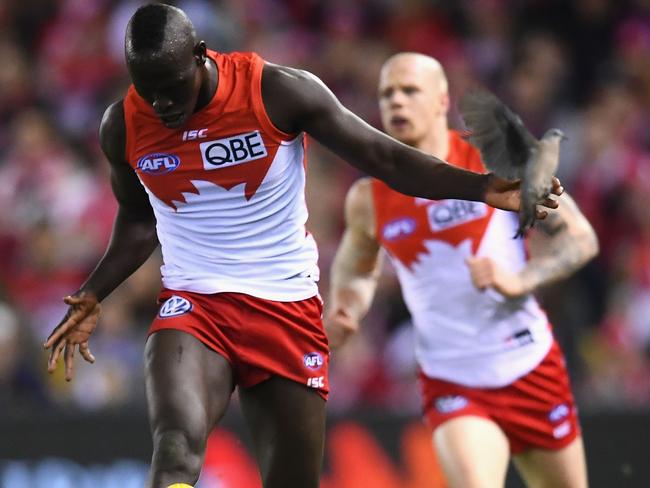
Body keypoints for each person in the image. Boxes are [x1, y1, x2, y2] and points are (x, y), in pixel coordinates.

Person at [43, 5, 559, 488]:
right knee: (176, 445)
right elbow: (138, 221)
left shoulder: (277, 92)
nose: (162, 104)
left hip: (285, 308)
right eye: (148, 90)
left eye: (173, 87)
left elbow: (384, 158)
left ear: (201, 53)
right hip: (195, 305)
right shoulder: (123, 126)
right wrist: (93, 293)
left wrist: (482, 187)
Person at [326, 52, 597, 488]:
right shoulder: (368, 197)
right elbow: (356, 267)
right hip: (451, 379)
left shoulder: (493, 163)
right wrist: (347, 308)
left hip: (529, 363)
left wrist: (521, 280)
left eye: (409, 90)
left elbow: (581, 237)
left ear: (440, 99)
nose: (396, 102)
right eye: (386, 94)